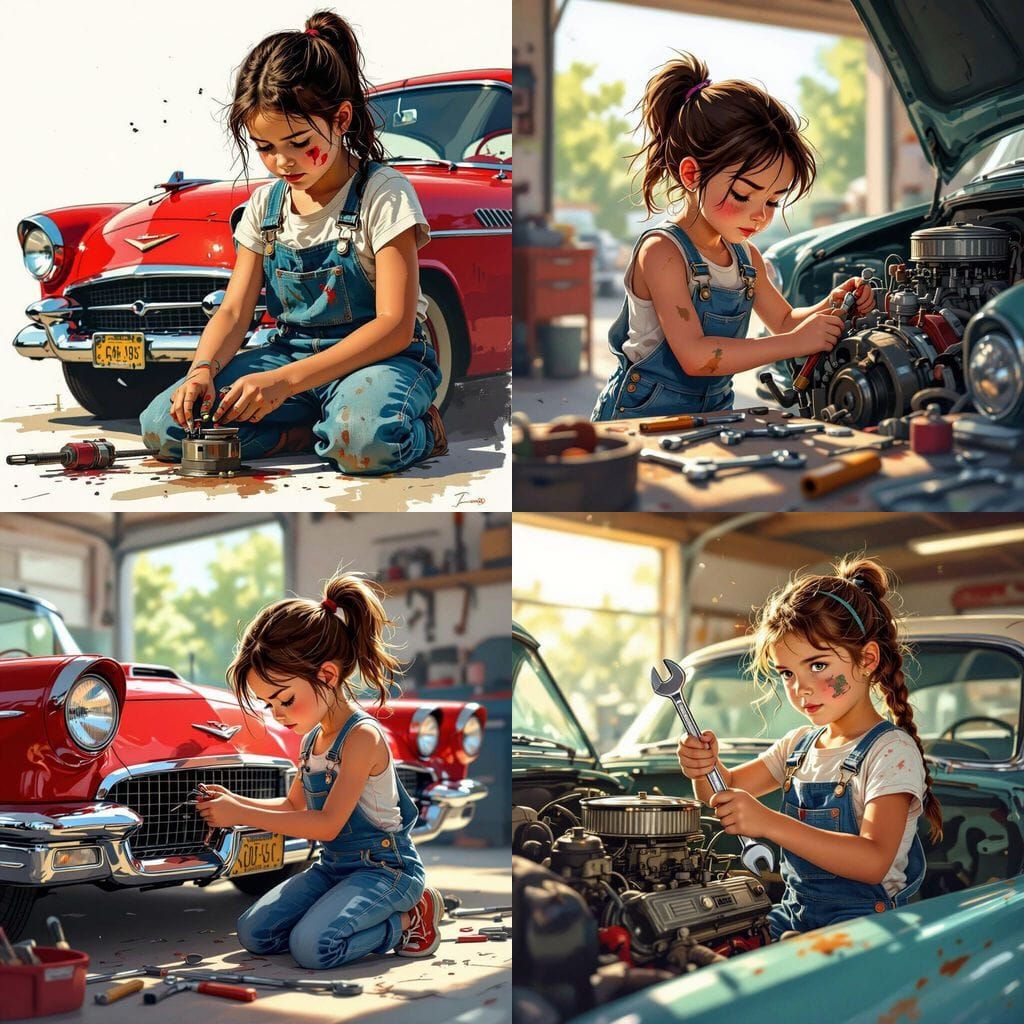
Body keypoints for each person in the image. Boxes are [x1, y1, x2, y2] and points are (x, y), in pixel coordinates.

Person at [140, 9, 446, 475]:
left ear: (341, 118)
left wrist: (281, 383)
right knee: (166, 427)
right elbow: (234, 311)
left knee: (365, 442)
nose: (283, 161)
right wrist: (201, 371)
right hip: (290, 360)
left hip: (381, 361)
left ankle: (420, 428)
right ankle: (307, 430)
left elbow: (395, 325)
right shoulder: (265, 207)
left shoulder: (384, 194)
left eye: (299, 141)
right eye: (265, 148)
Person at [592, 51, 874, 421]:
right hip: (640, 418)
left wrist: (831, 307)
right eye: (743, 195)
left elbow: (786, 321)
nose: (759, 214)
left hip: (710, 418)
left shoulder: (747, 258)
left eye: (773, 200)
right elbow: (695, 356)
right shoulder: (663, 252)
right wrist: (792, 344)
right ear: (692, 175)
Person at [677, 556, 942, 939]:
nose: (799, 688)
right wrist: (703, 766)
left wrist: (768, 822)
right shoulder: (797, 746)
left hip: (866, 925)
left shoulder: (891, 752)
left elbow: (873, 861)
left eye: (817, 666)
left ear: (867, 659)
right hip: (794, 912)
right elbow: (722, 789)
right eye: (787, 673)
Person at [195, 571, 443, 969]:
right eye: (268, 705)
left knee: (313, 949)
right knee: (255, 933)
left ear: (326, 675)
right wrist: (232, 800)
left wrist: (239, 815)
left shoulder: (362, 737)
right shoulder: (312, 741)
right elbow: (294, 807)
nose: (276, 715)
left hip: (385, 870)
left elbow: (326, 825)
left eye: (284, 700)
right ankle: (346, 912)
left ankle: (409, 918)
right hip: (333, 868)